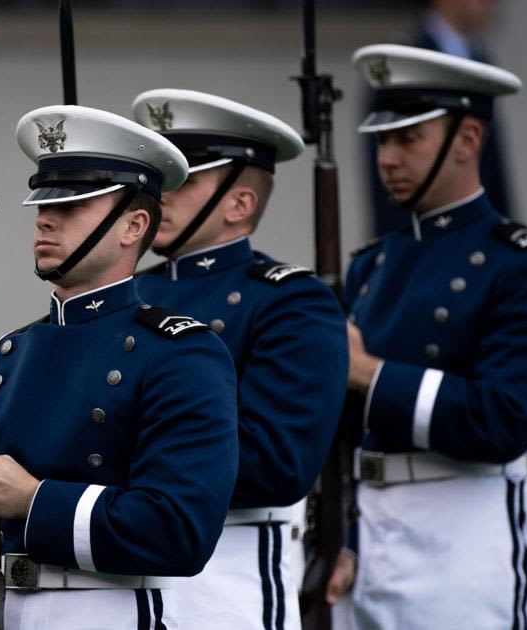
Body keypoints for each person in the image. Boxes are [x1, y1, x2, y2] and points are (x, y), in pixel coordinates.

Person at [0, 105, 240, 629]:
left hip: (105, 607)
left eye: (73, 205)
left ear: (133, 225)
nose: (45, 218)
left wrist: (33, 500)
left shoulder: (179, 352)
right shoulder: (8, 355)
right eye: (42, 204)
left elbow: (178, 531)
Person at [328, 45, 527, 629]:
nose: (387, 158)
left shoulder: (524, 267)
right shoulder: (372, 266)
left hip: (463, 532)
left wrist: (371, 374)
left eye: (408, 139)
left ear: (467, 140)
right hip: (365, 535)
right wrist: (336, 530)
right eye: (381, 141)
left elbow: (503, 419)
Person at [130, 89, 348, 629]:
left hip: (227, 568)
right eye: (161, 178)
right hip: (122, 559)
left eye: (184, 180)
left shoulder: (289, 301)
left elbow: (276, 464)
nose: (162, 196)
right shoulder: (128, 295)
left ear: (240, 204)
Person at [364, 0, 513, 235]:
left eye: (408, 138)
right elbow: (391, 190)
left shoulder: (480, 58)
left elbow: (491, 169)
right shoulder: (405, 59)